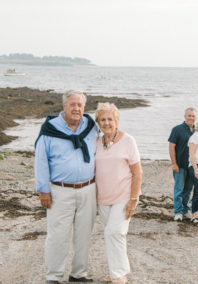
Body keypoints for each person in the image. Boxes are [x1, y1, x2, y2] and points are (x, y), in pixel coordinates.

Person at [35, 90, 97, 284]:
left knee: (84, 234)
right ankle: (53, 277)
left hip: (88, 189)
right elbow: (41, 161)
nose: (76, 108)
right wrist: (43, 190)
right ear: (64, 106)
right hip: (60, 191)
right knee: (57, 235)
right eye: (72, 104)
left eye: (80, 105)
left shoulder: (91, 126)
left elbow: (107, 143)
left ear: (84, 108)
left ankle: (78, 274)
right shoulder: (49, 129)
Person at [95, 103, 143, 284]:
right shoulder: (97, 142)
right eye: (102, 119)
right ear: (98, 122)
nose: (106, 123)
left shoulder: (128, 140)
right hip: (103, 198)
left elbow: (138, 172)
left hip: (124, 197)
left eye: (109, 119)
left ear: (116, 120)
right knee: (115, 235)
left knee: (113, 233)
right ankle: (118, 271)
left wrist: (133, 199)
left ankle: (118, 276)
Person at [168, 107, 196, 221]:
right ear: (185, 117)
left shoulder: (196, 131)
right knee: (179, 189)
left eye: (193, 116)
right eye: (189, 115)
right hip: (180, 165)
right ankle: (178, 212)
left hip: (191, 166)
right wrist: (174, 164)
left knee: (188, 190)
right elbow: (171, 147)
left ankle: (185, 210)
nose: (191, 118)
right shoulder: (177, 129)